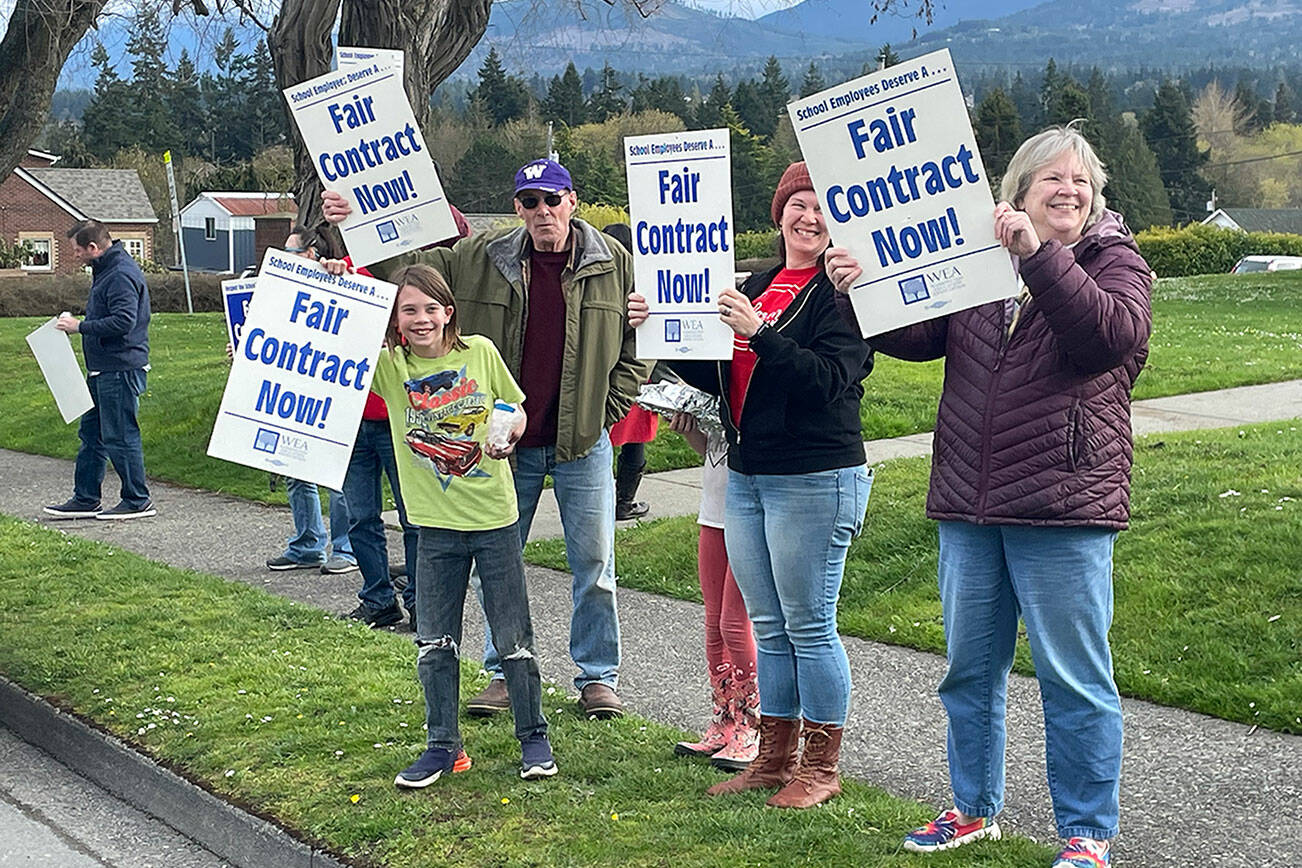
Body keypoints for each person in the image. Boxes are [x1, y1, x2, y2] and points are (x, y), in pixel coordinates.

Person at [826, 125, 1152, 868]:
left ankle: (1087, 831)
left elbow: (1107, 337)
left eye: (1079, 180)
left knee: (1073, 677)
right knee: (969, 671)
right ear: (1017, 191)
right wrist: (857, 294)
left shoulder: (1115, 260)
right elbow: (918, 332)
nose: (1068, 191)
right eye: (1051, 181)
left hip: (1062, 504)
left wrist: (1038, 258)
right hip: (969, 503)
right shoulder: (981, 260)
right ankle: (974, 809)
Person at [323, 159, 649, 719]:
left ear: (574, 200)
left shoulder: (614, 263)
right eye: (529, 201)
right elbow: (412, 269)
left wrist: (604, 412)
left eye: (553, 199)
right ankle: (500, 672)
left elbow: (637, 344)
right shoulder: (483, 257)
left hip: (582, 445)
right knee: (500, 564)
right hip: (504, 446)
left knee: (595, 566)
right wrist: (354, 226)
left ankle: (597, 678)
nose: (542, 211)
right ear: (516, 208)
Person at [629, 161, 873, 808]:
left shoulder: (842, 293)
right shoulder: (760, 282)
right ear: (779, 211)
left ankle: (820, 770)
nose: (808, 216)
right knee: (769, 628)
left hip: (815, 476)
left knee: (810, 626)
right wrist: (656, 327)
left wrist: (760, 333)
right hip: (747, 475)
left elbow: (828, 380)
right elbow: (719, 378)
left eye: (822, 207)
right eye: (797, 203)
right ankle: (773, 758)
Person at [361, 262, 554, 786]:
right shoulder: (389, 367)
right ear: (395, 318)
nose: (421, 320)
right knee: (434, 641)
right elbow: (322, 349)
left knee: (513, 637)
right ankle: (443, 745)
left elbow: (514, 405)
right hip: (432, 527)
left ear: (449, 312)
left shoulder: (480, 353)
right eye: (409, 310)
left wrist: (511, 427)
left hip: (494, 519)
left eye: (430, 308)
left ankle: (534, 737)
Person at [342, 212, 473, 631]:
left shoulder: (420, 284)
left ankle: (421, 603)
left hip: (402, 420)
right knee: (359, 516)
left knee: (415, 516)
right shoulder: (346, 272)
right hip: (351, 417)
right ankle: (378, 599)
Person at [259, 227, 356, 576]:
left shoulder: (344, 283)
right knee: (294, 467)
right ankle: (308, 543)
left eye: (292, 252)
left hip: (333, 389)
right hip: (295, 387)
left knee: (335, 470)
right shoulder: (281, 292)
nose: (285, 259)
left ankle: (345, 547)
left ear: (312, 253)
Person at [45, 219, 155, 521]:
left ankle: (136, 499)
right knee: (91, 434)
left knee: (120, 435)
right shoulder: (107, 270)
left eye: (78, 250)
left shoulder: (119, 274)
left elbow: (124, 321)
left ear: (94, 248)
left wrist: (79, 326)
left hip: (120, 368)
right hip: (102, 368)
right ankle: (86, 498)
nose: (76, 255)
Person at [667, 411, 758, 772]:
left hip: (747, 514)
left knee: (735, 624)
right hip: (713, 512)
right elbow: (711, 451)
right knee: (713, 625)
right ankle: (724, 718)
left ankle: (750, 725)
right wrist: (691, 430)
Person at [600, 222, 659, 521]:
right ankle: (625, 501)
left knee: (605, 440)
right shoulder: (641, 282)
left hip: (605, 373)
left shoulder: (599, 280)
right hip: (637, 373)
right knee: (635, 439)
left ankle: (602, 501)